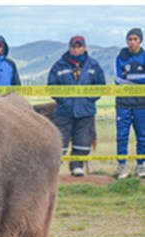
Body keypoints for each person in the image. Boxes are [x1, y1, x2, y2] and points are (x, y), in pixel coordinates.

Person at [48, 35, 106, 177]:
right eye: (73, 46)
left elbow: (101, 86)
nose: (76, 49)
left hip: (86, 111)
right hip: (64, 111)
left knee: (83, 140)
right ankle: (54, 170)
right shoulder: (59, 65)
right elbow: (52, 87)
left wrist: (88, 99)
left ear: (84, 48)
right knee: (60, 140)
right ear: (69, 48)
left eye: (79, 46)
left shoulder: (93, 65)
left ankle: (77, 166)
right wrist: (64, 101)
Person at [115, 27, 145, 179]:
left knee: (142, 136)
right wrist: (139, 78)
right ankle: (122, 166)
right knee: (122, 136)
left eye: (135, 39)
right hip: (123, 103)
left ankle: (141, 166)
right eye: (130, 39)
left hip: (141, 103)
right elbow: (119, 79)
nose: (132, 42)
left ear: (140, 40)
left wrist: (131, 77)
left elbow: (128, 78)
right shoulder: (120, 56)